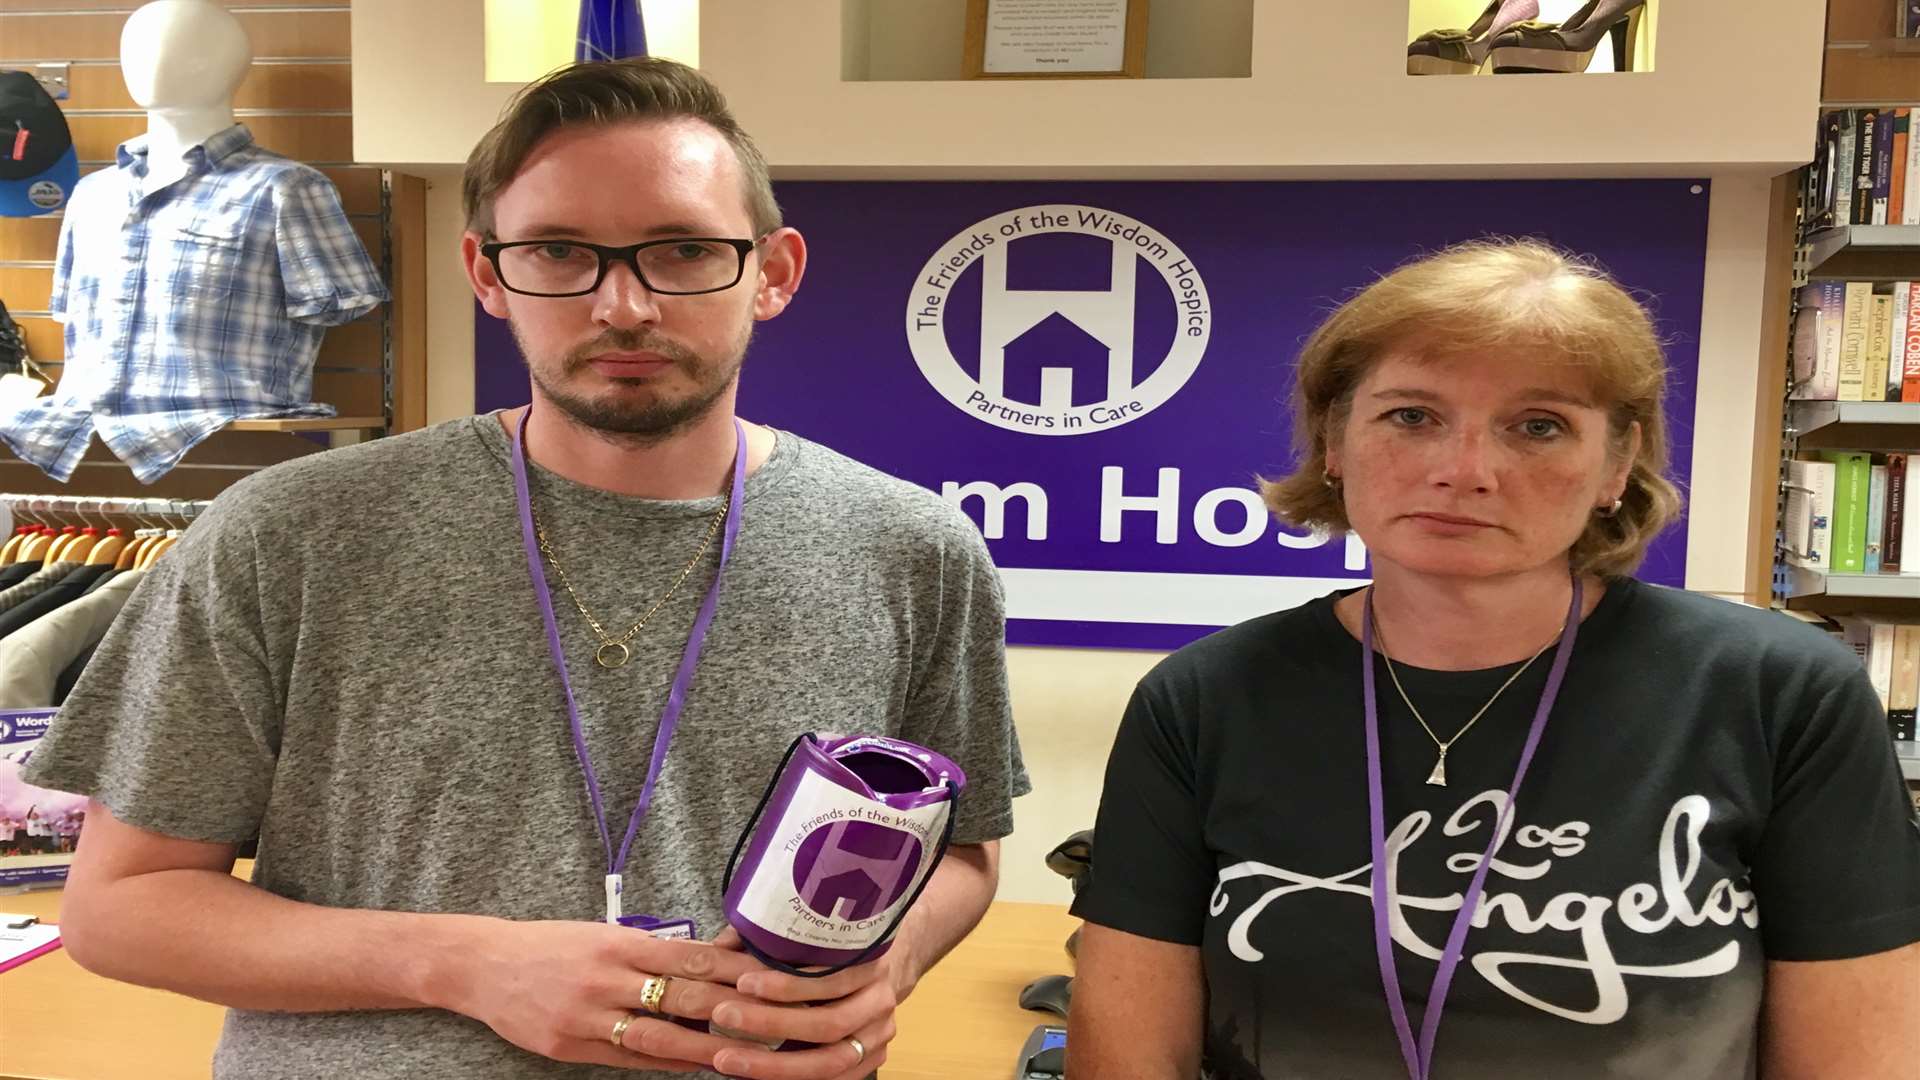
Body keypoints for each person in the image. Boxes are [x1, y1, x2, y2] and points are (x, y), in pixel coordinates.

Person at [24, 58, 1027, 1080]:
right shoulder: (291, 533)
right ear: (488, 273)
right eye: (559, 252)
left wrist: (886, 963)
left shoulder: (914, 551)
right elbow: (120, 907)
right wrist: (463, 964)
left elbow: (963, 849)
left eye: (682, 250)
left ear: (771, 270)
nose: (624, 305)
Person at [1067, 239, 1920, 1079]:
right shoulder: (1203, 699)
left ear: (1615, 465)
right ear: (1335, 440)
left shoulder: (1781, 693)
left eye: (1538, 427)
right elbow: (1130, 1056)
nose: (1465, 470)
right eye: (1412, 415)